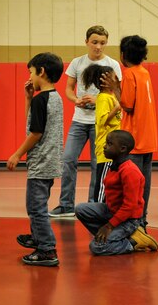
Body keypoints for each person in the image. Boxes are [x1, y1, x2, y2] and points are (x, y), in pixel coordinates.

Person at [49, 25, 122, 218]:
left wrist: (99, 100)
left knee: (97, 164)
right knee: (68, 159)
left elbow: (119, 94)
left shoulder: (113, 64)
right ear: (87, 42)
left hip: (102, 123)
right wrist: (76, 100)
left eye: (103, 43)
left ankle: (93, 205)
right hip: (79, 120)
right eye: (95, 42)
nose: (98, 47)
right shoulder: (77, 62)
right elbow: (68, 89)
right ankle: (65, 205)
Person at [8, 52, 64, 266]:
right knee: (37, 204)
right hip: (51, 161)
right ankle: (37, 237)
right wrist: (28, 99)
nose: (30, 77)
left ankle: (47, 249)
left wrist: (17, 154)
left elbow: (35, 133)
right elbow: (33, 124)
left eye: (31, 72)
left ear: (41, 72)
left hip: (41, 163)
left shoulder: (43, 100)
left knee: (35, 207)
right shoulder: (54, 97)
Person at [103, 35, 158, 228]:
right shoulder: (144, 72)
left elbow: (127, 104)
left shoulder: (130, 74)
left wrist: (115, 88)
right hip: (148, 137)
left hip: (133, 138)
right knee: (144, 184)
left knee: (129, 186)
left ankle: (131, 224)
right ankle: (142, 220)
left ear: (123, 55)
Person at [75, 130, 158, 255]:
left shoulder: (130, 171)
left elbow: (129, 206)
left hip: (129, 220)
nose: (105, 146)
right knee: (81, 209)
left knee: (96, 247)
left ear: (122, 149)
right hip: (112, 211)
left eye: (109, 144)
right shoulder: (114, 166)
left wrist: (109, 226)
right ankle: (108, 237)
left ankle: (134, 241)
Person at [82, 64, 121, 202]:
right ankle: (97, 208)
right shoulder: (104, 98)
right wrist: (117, 108)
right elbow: (102, 120)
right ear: (105, 81)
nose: (116, 79)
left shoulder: (111, 96)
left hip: (113, 147)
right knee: (103, 183)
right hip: (106, 148)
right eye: (113, 77)